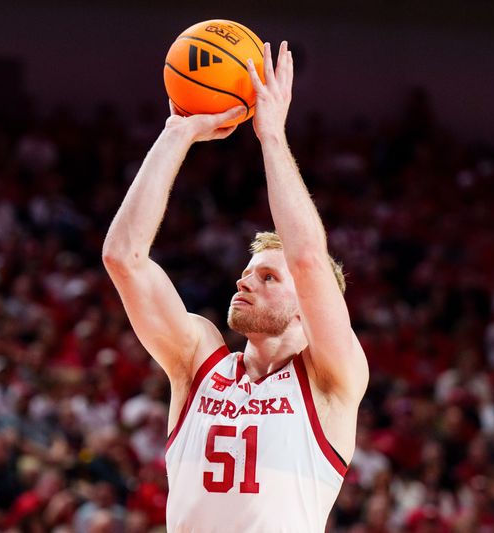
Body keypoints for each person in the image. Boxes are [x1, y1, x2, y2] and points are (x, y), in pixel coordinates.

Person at [102, 41, 369, 531]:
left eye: (268, 276)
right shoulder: (198, 360)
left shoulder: (332, 378)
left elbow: (309, 258)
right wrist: (176, 133)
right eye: (247, 272)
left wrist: (270, 135)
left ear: (304, 308)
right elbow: (124, 257)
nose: (245, 281)